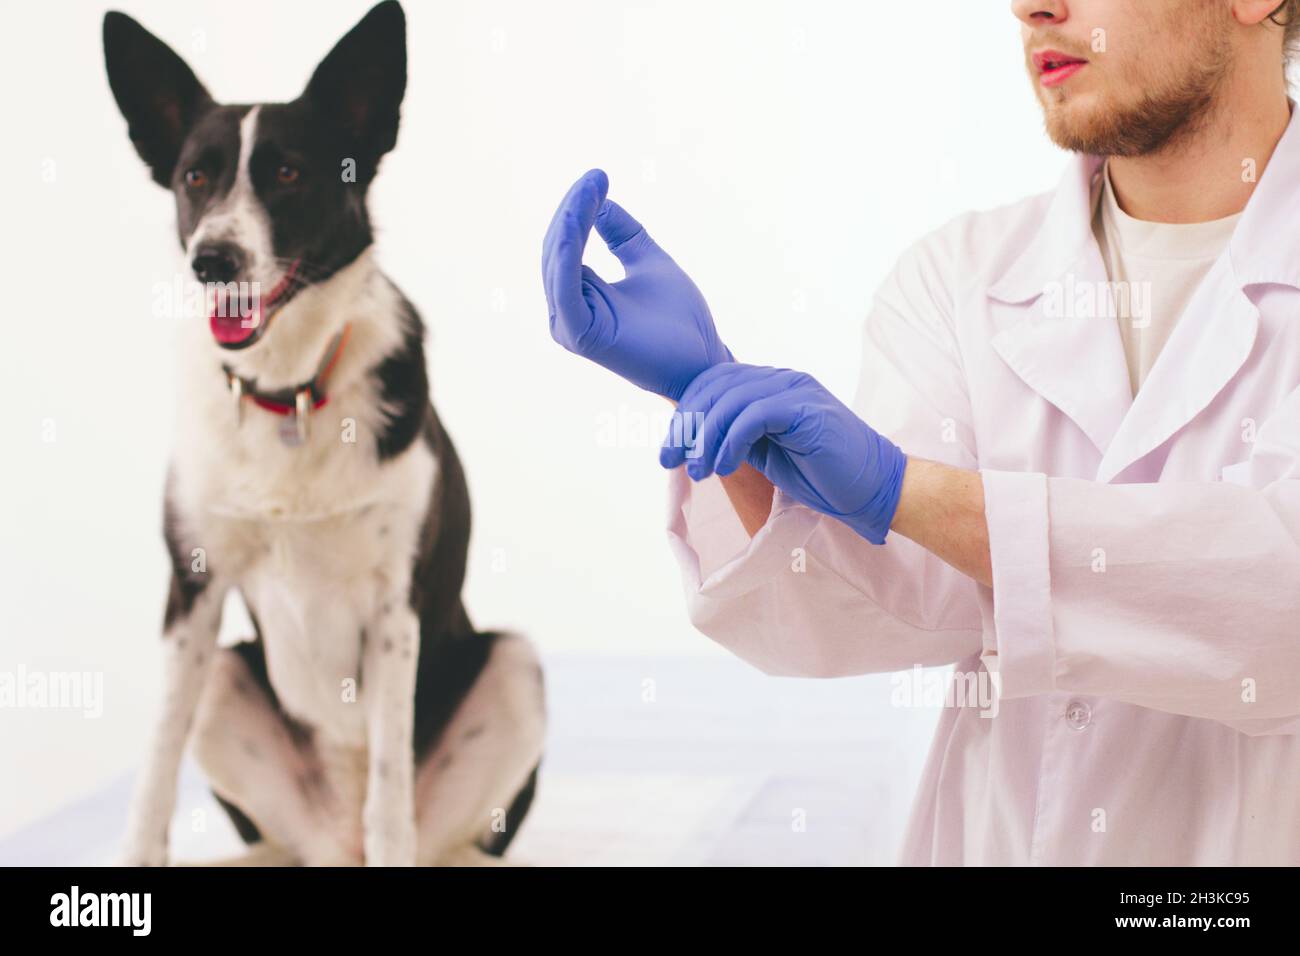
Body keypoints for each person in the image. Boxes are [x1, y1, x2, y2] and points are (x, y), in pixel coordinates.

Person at [541, 0, 1300, 865]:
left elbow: (1279, 599)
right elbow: (875, 613)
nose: (1031, 6)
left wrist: (909, 492)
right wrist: (721, 411)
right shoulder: (960, 279)